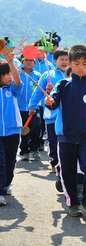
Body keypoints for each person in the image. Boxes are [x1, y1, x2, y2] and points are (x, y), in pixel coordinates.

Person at [45, 45, 86, 219]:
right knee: (68, 172)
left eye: (84, 63)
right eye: (77, 64)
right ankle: (73, 203)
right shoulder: (62, 85)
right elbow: (53, 103)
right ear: (71, 64)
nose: (81, 67)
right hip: (66, 137)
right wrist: (49, 101)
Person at [0, 51, 22, 206]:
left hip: (13, 131)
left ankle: (6, 184)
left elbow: (18, 83)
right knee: (0, 162)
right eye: (5, 74)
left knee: (10, 160)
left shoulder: (11, 90)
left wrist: (10, 62)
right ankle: (0, 191)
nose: (9, 76)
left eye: (9, 73)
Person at [18, 56, 42, 161]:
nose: (28, 62)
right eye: (26, 60)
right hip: (20, 107)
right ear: (22, 62)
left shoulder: (38, 76)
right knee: (23, 130)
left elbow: (41, 90)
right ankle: (24, 151)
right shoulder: (18, 74)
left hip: (34, 107)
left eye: (31, 60)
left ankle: (34, 148)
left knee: (36, 128)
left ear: (34, 62)